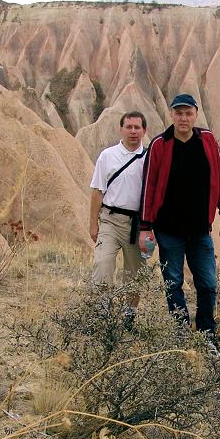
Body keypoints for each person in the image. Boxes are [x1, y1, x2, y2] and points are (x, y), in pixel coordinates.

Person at [138, 94, 220, 355]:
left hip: (200, 229)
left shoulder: (208, 140)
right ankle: (181, 334)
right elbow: (149, 187)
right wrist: (145, 227)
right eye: (178, 113)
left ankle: (206, 335)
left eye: (188, 113)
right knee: (174, 282)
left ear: (195, 114)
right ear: (171, 115)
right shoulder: (160, 144)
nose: (183, 118)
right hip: (168, 230)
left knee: (208, 283)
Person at [89, 111, 148, 323]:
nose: (133, 131)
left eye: (137, 127)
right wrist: (93, 224)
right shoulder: (108, 156)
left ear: (144, 131)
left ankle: (129, 316)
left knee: (134, 274)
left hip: (137, 225)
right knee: (103, 265)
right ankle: (101, 313)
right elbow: (97, 191)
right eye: (129, 127)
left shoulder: (149, 158)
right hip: (110, 220)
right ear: (120, 129)